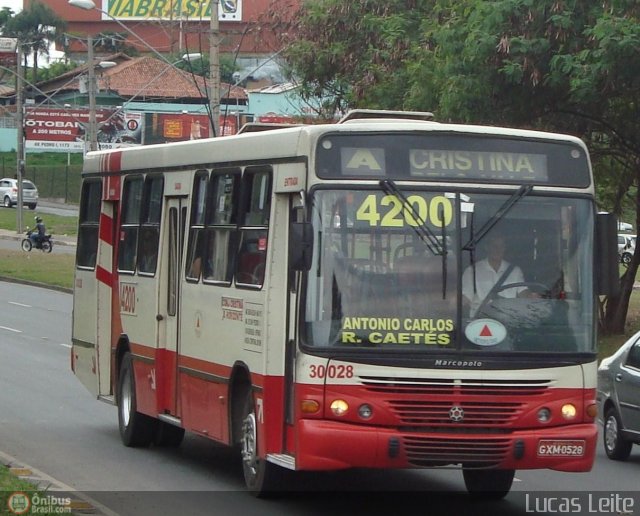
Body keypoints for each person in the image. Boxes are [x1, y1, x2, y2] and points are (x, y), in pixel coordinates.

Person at [462, 232, 536, 317]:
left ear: (505, 248)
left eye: (501, 246)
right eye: (494, 246)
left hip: (508, 320)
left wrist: (531, 297)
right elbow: (466, 297)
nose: (498, 250)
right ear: (487, 247)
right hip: (481, 321)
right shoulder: (472, 271)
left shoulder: (515, 271)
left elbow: (523, 291)